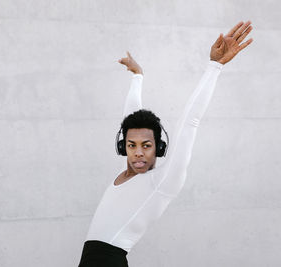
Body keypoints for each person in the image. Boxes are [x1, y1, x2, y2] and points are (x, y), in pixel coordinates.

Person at [78, 21, 253, 267]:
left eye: (147, 146)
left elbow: (191, 121)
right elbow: (130, 118)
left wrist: (214, 66)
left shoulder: (162, 182)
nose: (138, 152)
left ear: (159, 148)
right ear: (123, 146)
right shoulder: (127, 173)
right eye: (131, 145)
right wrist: (138, 76)